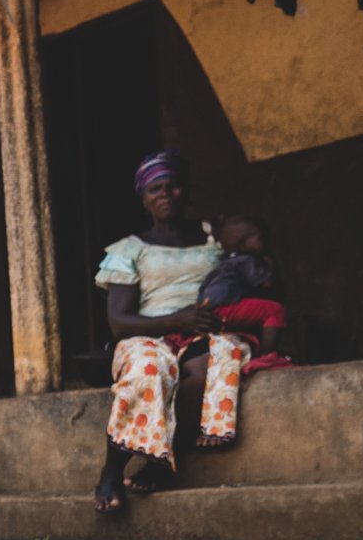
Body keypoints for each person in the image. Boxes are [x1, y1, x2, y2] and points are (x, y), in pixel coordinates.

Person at [94, 152, 252, 514]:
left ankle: (162, 460)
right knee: (147, 369)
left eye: (173, 186)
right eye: (155, 188)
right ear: (144, 197)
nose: (165, 194)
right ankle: (111, 470)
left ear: (186, 191)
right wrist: (176, 321)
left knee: (214, 363)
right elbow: (119, 321)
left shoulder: (215, 238)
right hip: (150, 333)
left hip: (205, 331)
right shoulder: (129, 250)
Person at [197, 215, 286, 358]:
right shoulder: (247, 260)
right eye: (261, 239)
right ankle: (267, 357)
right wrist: (269, 260)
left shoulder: (225, 262)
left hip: (206, 309)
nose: (267, 243)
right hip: (225, 306)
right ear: (242, 245)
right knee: (275, 311)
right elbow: (266, 282)